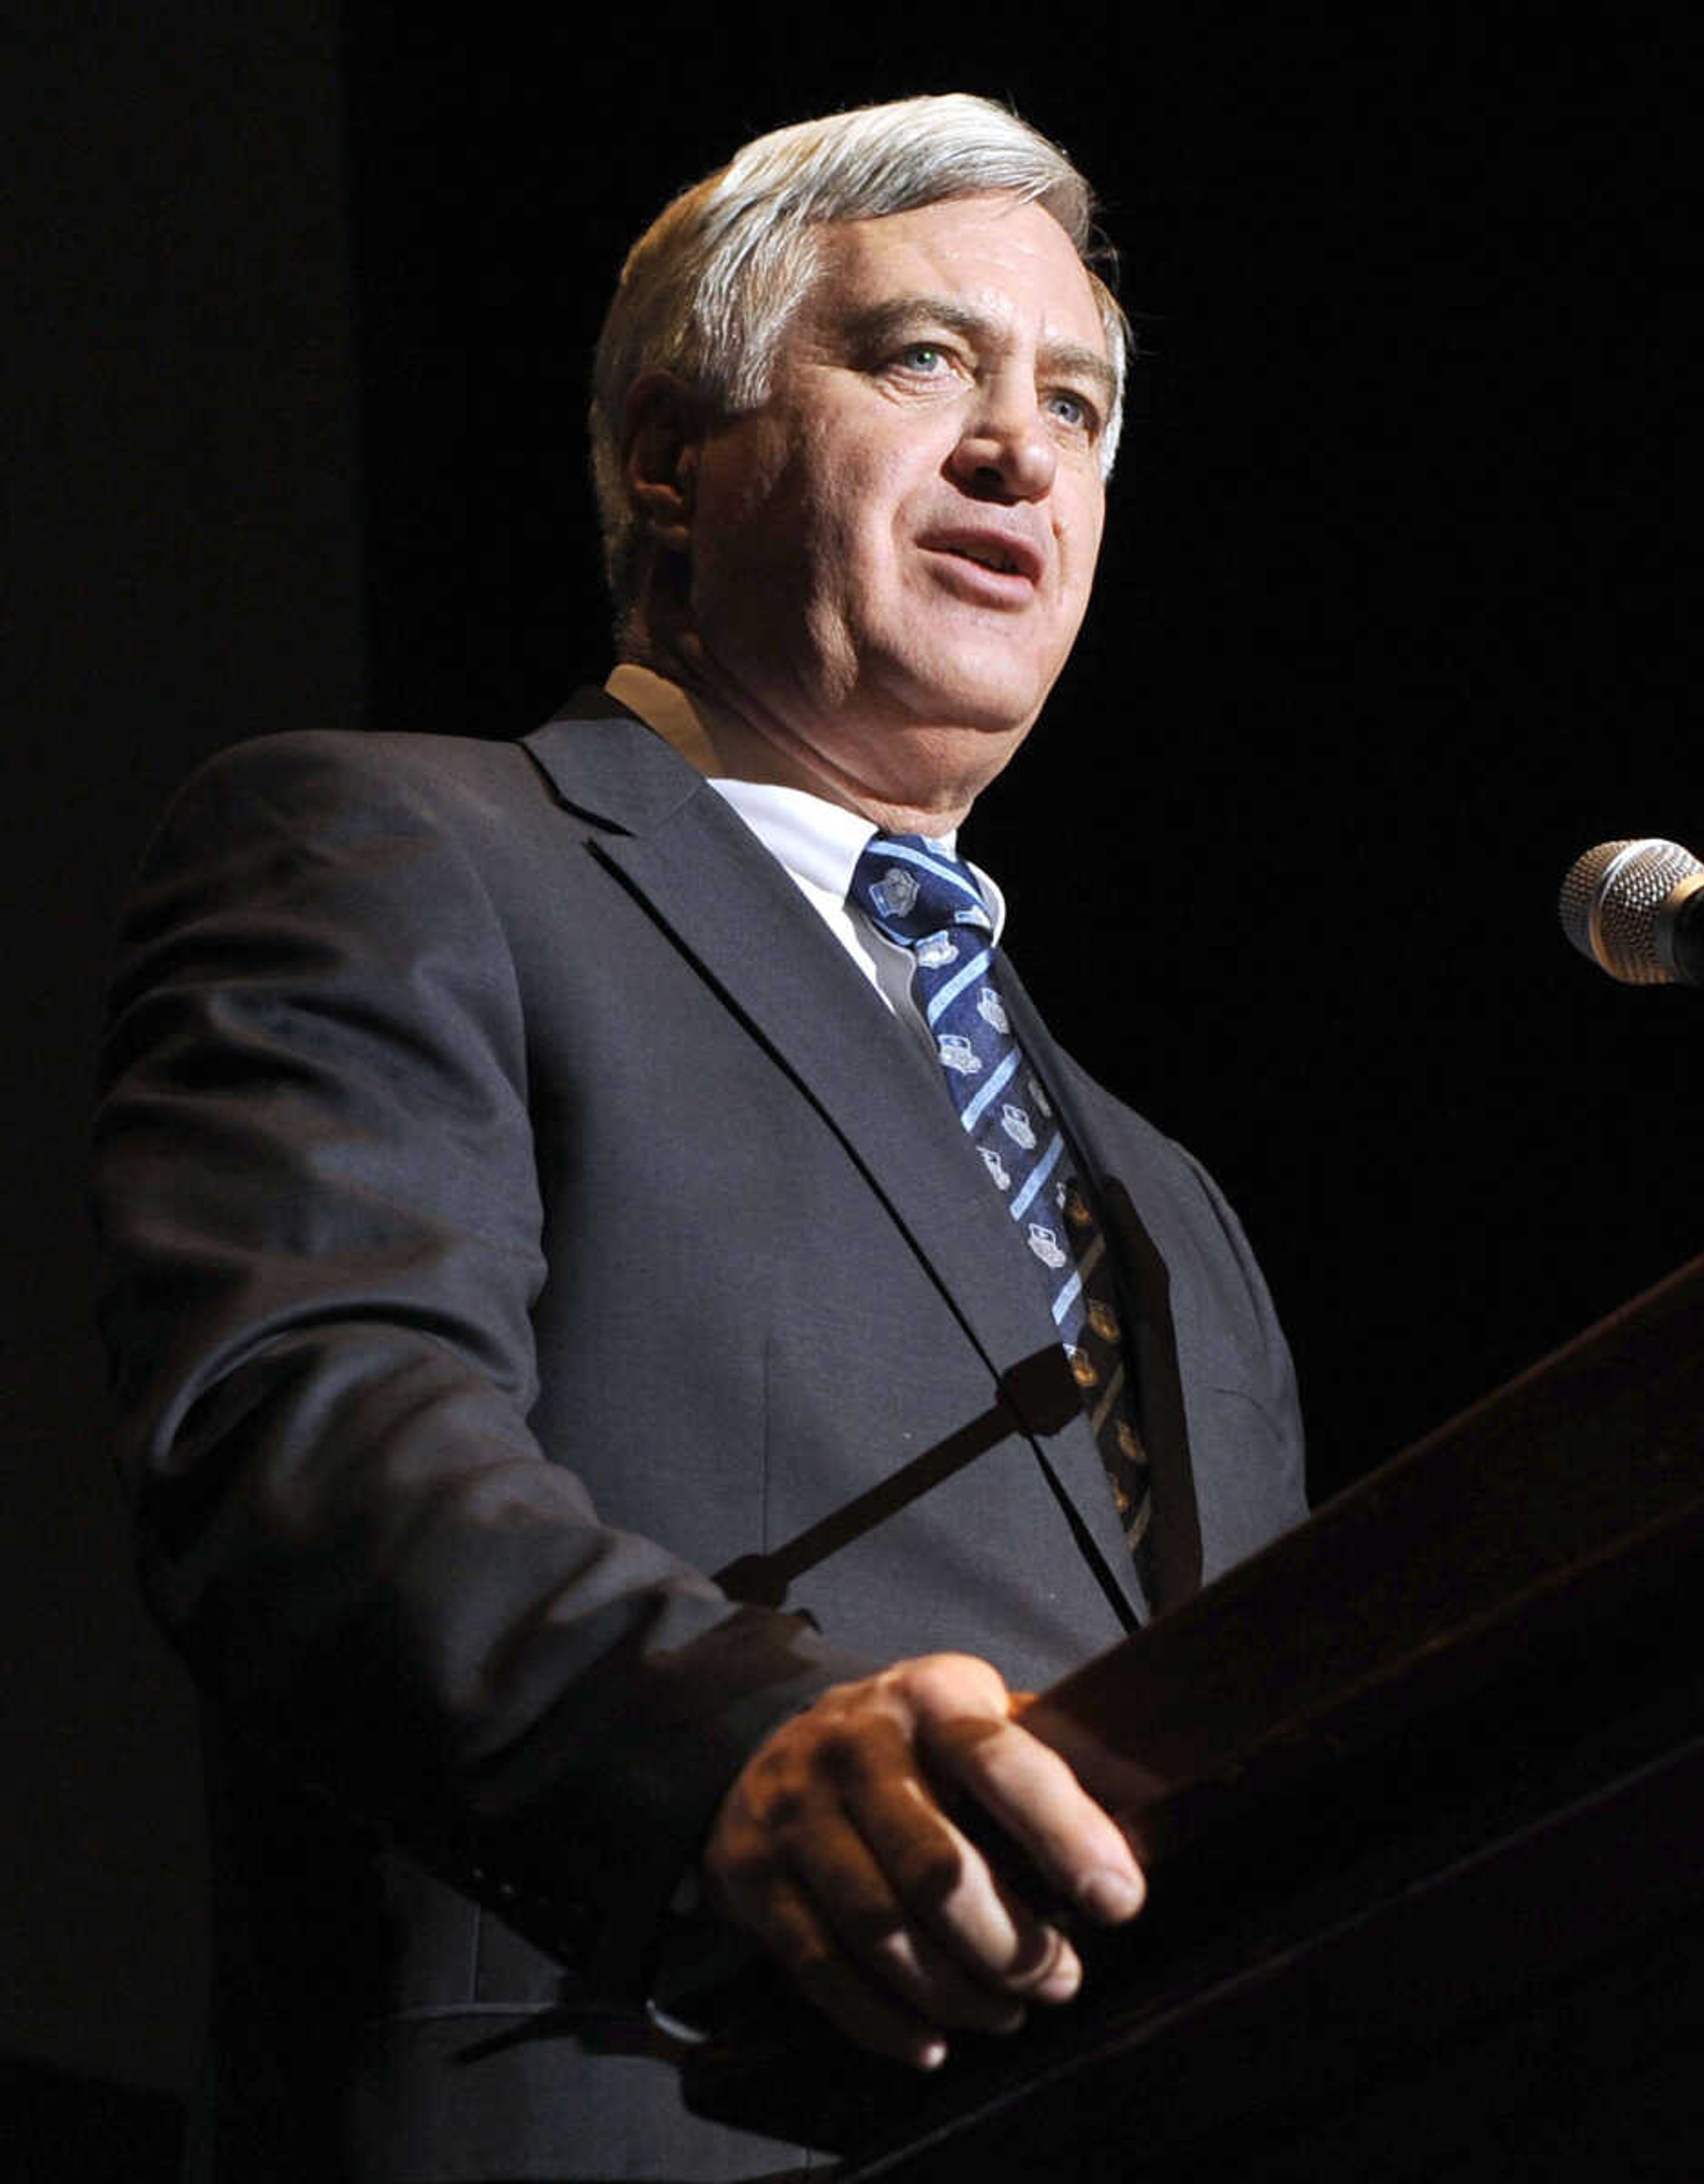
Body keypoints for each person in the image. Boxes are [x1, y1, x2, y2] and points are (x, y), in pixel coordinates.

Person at [92, 94, 1306, 2184]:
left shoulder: (1166, 1202)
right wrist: (736, 1752)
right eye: (923, 358)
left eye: (1081, 401)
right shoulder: (406, 851)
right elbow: (303, 1426)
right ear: (673, 455)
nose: (1024, 449)